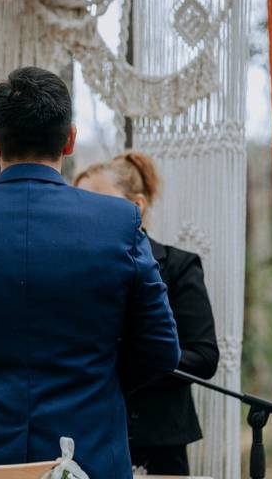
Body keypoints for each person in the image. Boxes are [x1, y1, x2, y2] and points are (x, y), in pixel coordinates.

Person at [0, 66, 180, 479]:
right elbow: (160, 349)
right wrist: (93, 385)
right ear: (70, 139)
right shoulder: (119, 221)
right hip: (86, 450)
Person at [76, 152, 219, 476]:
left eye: (97, 202)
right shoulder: (73, 272)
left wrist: (135, 352)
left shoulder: (179, 266)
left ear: (136, 207)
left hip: (160, 441)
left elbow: (204, 357)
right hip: (89, 437)